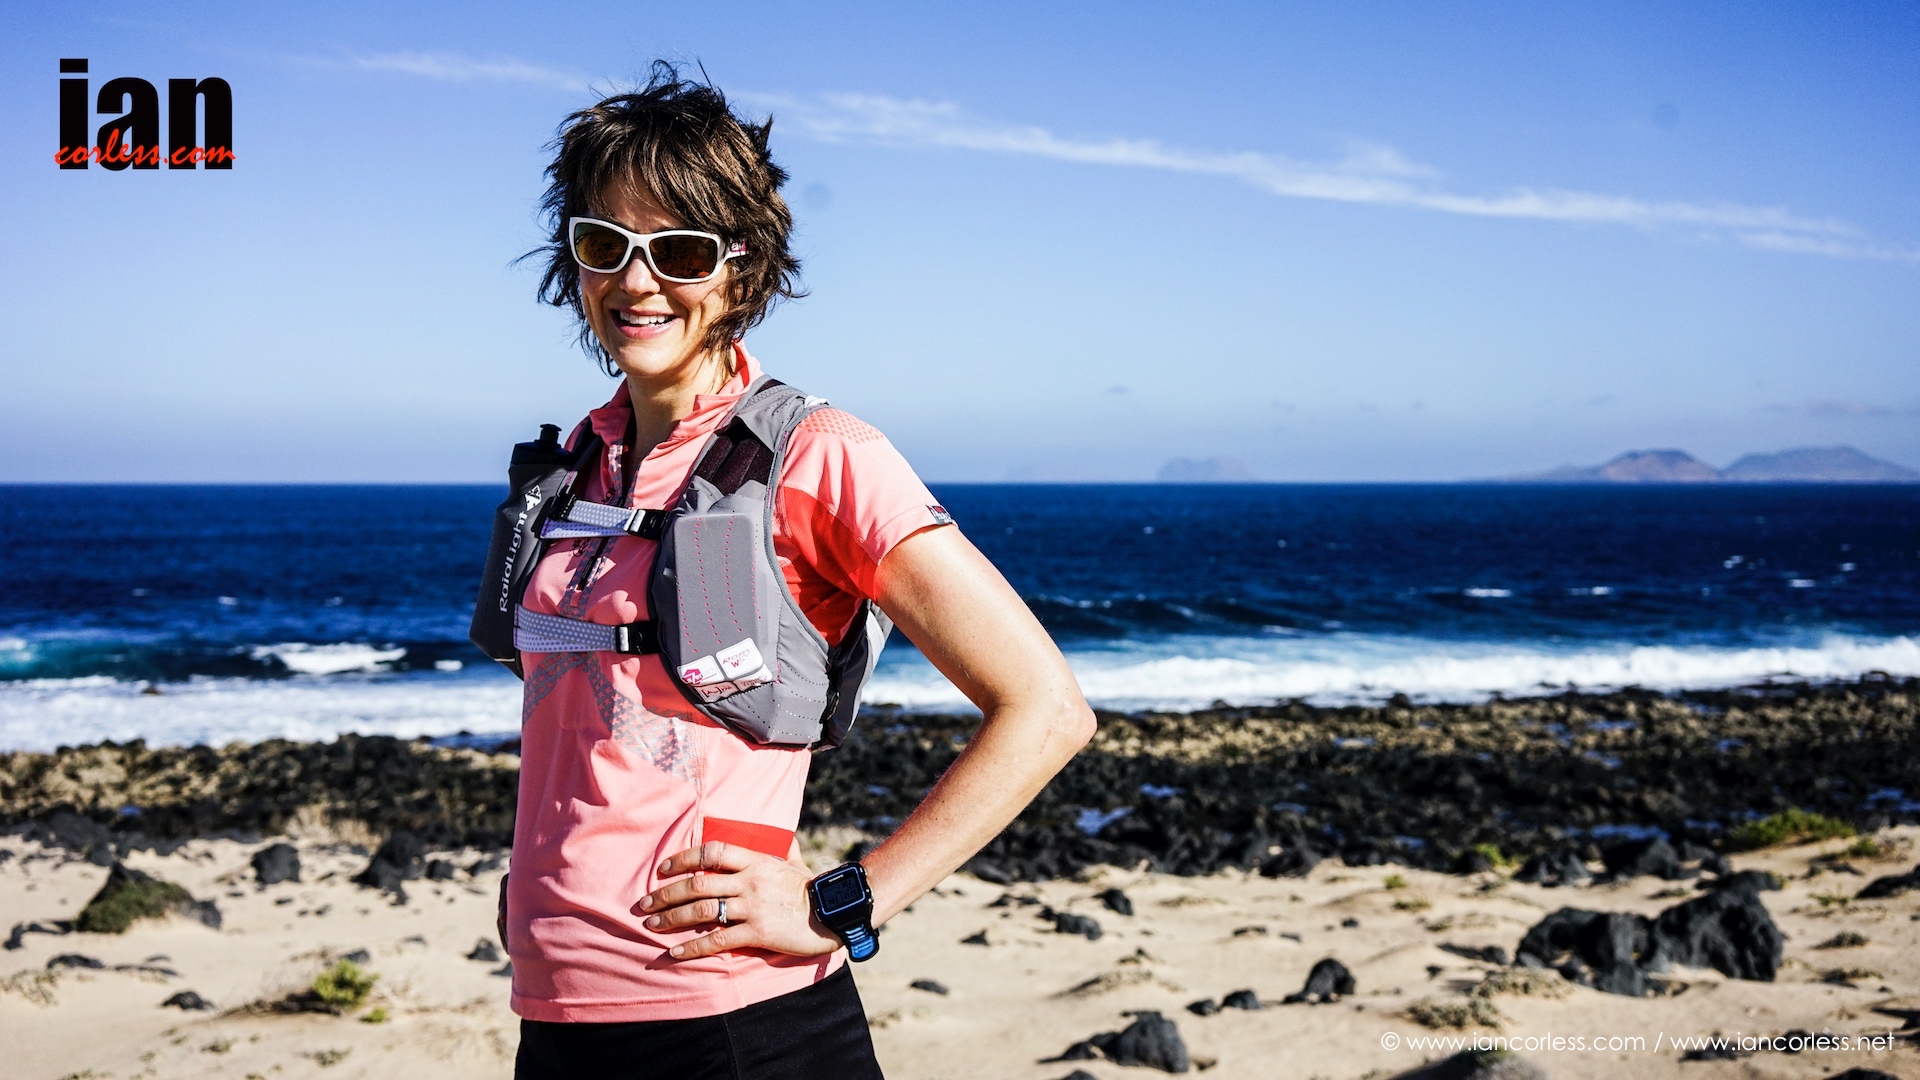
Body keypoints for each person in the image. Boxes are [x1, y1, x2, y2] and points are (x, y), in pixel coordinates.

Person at [500, 63, 1096, 1079]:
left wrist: (843, 904)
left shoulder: (817, 455)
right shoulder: (572, 470)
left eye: (679, 251)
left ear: (742, 271)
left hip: (739, 1027)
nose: (636, 283)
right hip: (555, 1020)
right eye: (605, 245)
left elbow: (1047, 710)